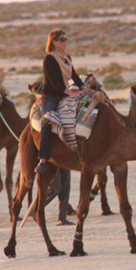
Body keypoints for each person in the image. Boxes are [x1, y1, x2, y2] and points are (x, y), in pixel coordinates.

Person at [35, 28, 92, 174]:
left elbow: (73, 74)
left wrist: (83, 87)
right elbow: (54, 81)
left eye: (66, 38)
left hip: (65, 93)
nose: (65, 41)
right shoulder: (49, 59)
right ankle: (43, 159)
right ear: (54, 42)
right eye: (62, 39)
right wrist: (69, 92)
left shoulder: (66, 56)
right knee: (47, 122)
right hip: (51, 96)